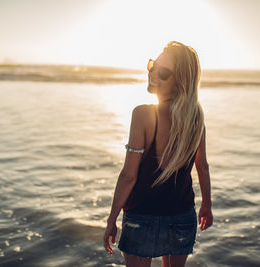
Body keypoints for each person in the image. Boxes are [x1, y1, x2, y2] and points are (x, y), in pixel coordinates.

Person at [103, 41, 213, 267]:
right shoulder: (196, 120)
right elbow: (202, 167)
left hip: (142, 216)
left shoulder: (143, 115)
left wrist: (111, 219)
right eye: (152, 65)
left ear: (180, 81)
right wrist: (206, 206)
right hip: (182, 217)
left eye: (163, 73)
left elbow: (128, 176)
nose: (153, 74)